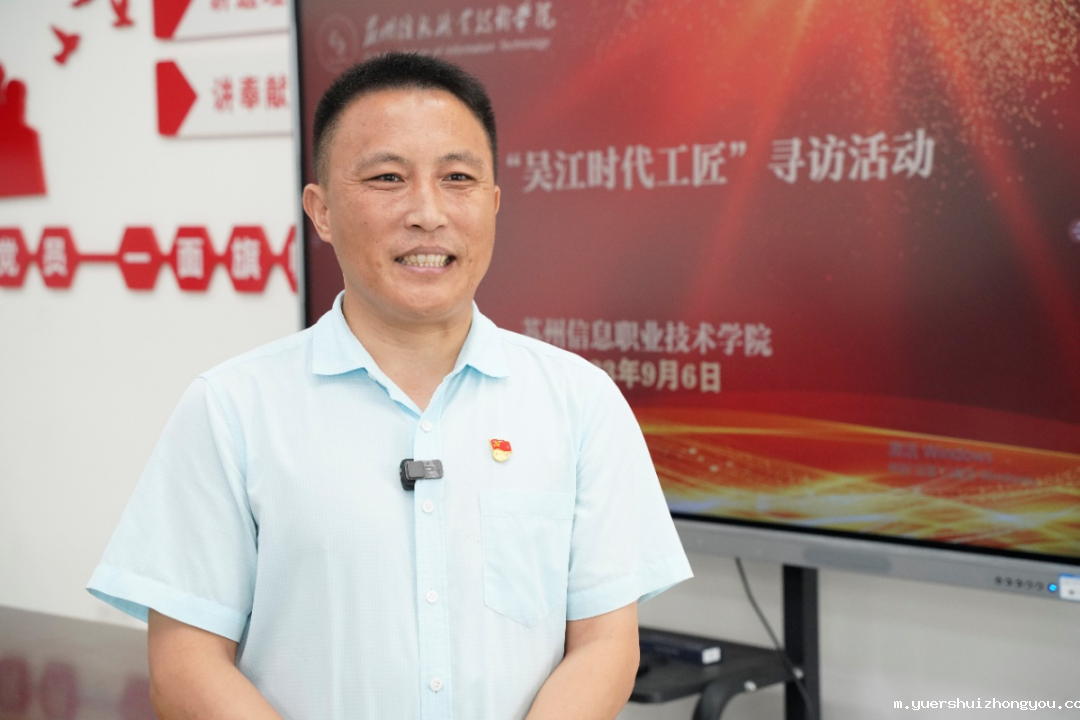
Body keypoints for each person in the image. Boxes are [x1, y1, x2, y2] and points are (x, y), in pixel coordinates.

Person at [88, 52, 692, 720]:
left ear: (493, 203)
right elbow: (185, 666)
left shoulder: (581, 402)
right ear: (321, 211)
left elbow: (606, 645)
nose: (427, 213)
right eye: (387, 178)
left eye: (457, 178)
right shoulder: (231, 408)